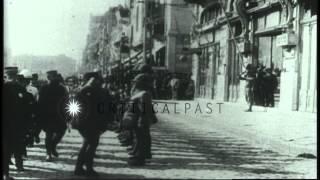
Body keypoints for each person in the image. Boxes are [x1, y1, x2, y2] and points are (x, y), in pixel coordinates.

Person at [73, 72, 114, 177]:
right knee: (91, 145)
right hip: (92, 123)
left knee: (87, 144)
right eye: (98, 79)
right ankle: (89, 169)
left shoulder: (82, 90)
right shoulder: (98, 91)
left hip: (85, 123)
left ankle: (78, 168)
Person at [125, 73, 158, 166]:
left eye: (137, 82)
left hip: (141, 120)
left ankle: (140, 158)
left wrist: (142, 120)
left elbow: (145, 109)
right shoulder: (140, 93)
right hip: (137, 119)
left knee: (141, 139)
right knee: (139, 138)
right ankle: (138, 155)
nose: (135, 84)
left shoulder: (144, 94)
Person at [3, 67, 28, 179]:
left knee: (16, 146)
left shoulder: (19, 88)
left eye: (13, 75)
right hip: (9, 124)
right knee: (10, 147)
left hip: (15, 123)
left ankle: (16, 167)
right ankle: (7, 173)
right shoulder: (8, 87)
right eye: (10, 76)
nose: (12, 78)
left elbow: (25, 106)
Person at [38, 70, 69, 161]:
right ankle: (48, 153)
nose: (50, 78)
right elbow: (40, 102)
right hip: (48, 115)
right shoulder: (44, 88)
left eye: (52, 76)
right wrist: (40, 115)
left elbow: (66, 101)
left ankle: (52, 146)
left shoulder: (61, 88)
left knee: (61, 132)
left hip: (59, 114)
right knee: (49, 134)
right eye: (49, 76)